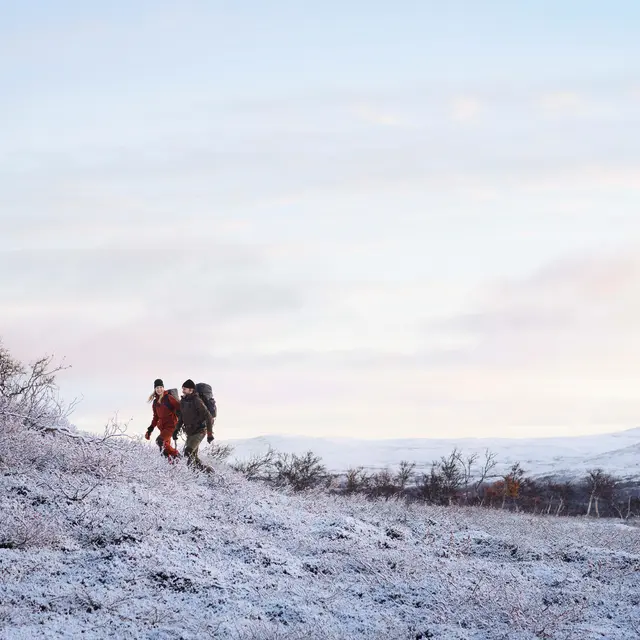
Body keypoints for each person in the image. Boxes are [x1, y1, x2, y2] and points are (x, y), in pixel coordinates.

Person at [172, 379, 214, 470]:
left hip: (200, 431)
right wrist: (176, 430)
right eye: (182, 388)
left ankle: (195, 476)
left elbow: (208, 416)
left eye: (185, 389)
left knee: (188, 452)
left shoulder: (197, 400)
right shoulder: (183, 401)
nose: (182, 390)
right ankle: (207, 472)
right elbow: (182, 417)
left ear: (191, 390)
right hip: (190, 432)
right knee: (192, 457)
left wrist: (210, 434)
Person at [145, 378, 181, 461]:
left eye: (161, 387)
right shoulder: (155, 403)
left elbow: (179, 407)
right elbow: (155, 417)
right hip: (162, 427)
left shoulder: (168, 397)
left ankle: (178, 455)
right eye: (157, 387)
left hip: (172, 425)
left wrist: (182, 421)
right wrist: (150, 430)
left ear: (163, 388)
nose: (159, 389)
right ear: (155, 389)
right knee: (163, 451)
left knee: (160, 441)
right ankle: (171, 467)